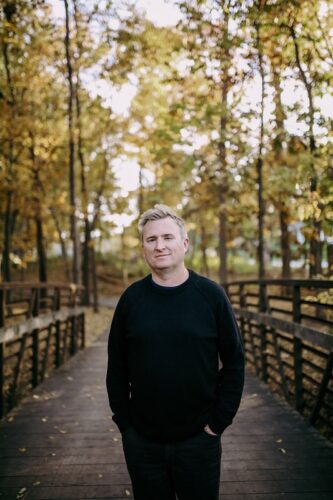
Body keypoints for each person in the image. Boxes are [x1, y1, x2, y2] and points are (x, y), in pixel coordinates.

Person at [106, 204, 244, 500]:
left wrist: (217, 423)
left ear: (184, 243)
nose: (160, 246)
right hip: (143, 442)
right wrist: (126, 426)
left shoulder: (211, 296)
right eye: (151, 239)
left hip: (199, 439)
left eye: (167, 237)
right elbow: (116, 366)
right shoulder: (131, 300)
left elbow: (234, 362)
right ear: (143, 247)